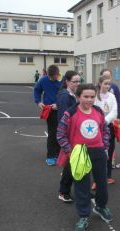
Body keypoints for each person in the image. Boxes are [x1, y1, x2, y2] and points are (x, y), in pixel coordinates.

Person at [57, 84, 112, 231]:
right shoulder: (71, 113)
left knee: (102, 183)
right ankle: (83, 216)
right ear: (78, 96)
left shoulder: (98, 111)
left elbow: (106, 130)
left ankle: (100, 206)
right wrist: (70, 152)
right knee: (82, 187)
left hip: (98, 152)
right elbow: (60, 134)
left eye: (92, 97)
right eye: (86, 96)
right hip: (79, 153)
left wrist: (104, 146)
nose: (89, 99)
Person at [56, 70, 81, 203]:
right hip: (70, 135)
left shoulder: (74, 94)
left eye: (79, 81)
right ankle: (63, 191)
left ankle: (76, 190)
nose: (77, 83)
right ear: (67, 82)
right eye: (74, 81)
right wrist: (65, 138)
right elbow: (63, 118)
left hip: (77, 134)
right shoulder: (66, 96)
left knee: (74, 164)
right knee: (71, 164)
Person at [34, 65, 62, 166]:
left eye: (54, 76)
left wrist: (59, 105)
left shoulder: (63, 81)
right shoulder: (43, 80)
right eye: (50, 77)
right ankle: (50, 156)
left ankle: (59, 154)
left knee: (62, 133)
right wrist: (38, 102)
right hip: (50, 110)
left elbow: (68, 95)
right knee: (52, 133)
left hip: (62, 110)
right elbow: (37, 90)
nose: (52, 79)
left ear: (58, 74)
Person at [94, 75, 117, 184]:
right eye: (105, 83)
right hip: (96, 127)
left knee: (109, 150)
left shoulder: (112, 96)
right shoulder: (95, 96)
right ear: (100, 83)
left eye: (109, 84)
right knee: (98, 151)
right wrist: (99, 122)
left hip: (108, 126)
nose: (107, 86)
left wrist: (105, 121)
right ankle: (96, 178)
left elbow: (114, 111)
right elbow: (92, 110)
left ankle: (108, 175)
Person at [100, 68, 120, 168]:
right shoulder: (95, 93)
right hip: (98, 124)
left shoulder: (113, 92)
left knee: (110, 144)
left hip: (110, 123)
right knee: (100, 145)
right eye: (105, 77)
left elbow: (116, 105)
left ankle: (110, 164)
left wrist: (109, 119)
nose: (107, 85)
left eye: (109, 77)